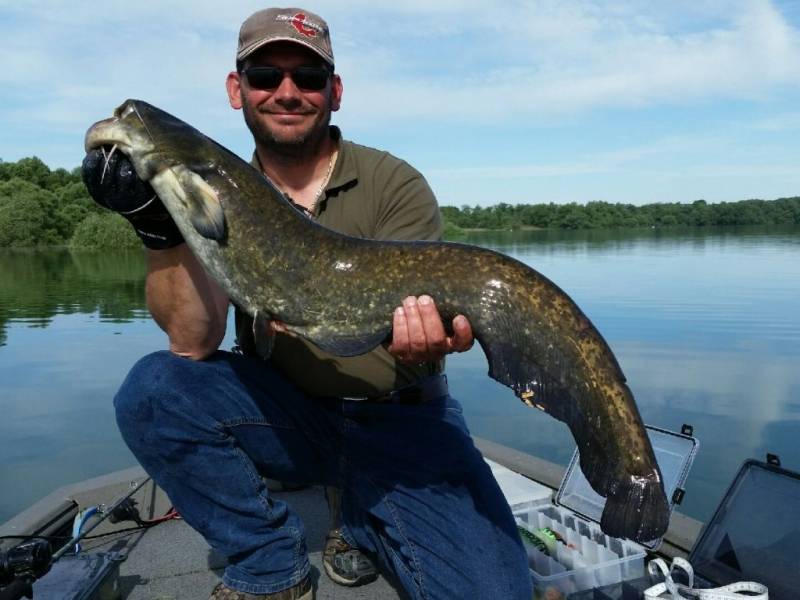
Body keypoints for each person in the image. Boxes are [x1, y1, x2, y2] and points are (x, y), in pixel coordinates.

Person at [82, 7, 532, 600]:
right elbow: (192, 343)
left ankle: (361, 515)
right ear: (236, 90)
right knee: (154, 390)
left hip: (404, 420)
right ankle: (270, 565)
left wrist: (424, 334)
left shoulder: (393, 182)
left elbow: (413, 317)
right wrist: (156, 228)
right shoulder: (216, 195)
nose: (287, 92)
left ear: (335, 92)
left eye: (309, 78)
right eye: (266, 75)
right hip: (289, 420)